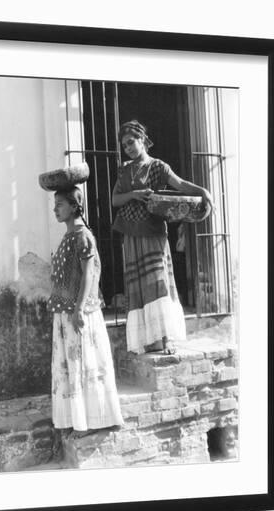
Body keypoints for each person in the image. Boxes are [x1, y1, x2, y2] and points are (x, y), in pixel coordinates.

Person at [112, 120, 213, 355]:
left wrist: (203, 191)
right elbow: (115, 200)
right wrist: (135, 194)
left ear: (143, 141)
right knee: (138, 285)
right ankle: (149, 340)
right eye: (124, 144)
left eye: (131, 142)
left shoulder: (158, 166)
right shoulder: (124, 169)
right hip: (131, 234)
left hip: (153, 230)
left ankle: (166, 339)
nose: (127, 147)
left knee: (158, 282)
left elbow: (180, 185)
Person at [47, 186, 124, 432]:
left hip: (79, 313)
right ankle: (75, 419)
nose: (55, 209)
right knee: (70, 366)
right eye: (55, 204)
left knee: (83, 364)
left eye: (60, 204)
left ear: (74, 206)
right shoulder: (70, 235)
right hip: (65, 311)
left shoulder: (82, 236)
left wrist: (79, 309)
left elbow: (89, 274)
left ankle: (94, 420)